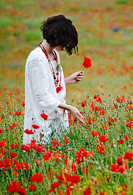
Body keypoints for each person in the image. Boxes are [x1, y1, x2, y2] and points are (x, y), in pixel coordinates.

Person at [23, 14, 85, 145]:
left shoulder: (55, 55)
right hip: (41, 120)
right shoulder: (37, 58)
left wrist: (67, 80)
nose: (67, 44)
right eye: (65, 40)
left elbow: (50, 83)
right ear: (55, 34)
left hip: (57, 117)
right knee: (41, 158)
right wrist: (70, 108)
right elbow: (42, 96)